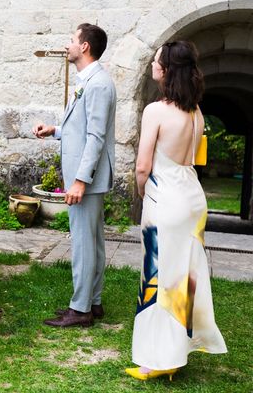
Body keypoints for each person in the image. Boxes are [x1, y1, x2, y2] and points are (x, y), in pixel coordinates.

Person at [126, 40, 227, 380]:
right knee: (183, 277)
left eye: (156, 61)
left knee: (157, 277)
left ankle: (158, 359)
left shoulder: (156, 110)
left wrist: (144, 193)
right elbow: (194, 159)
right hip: (193, 198)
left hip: (164, 198)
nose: (153, 65)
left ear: (166, 70)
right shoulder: (196, 111)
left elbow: (143, 167)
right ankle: (177, 351)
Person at [33, 23, 116, 327]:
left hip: (87, 180)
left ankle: (80, 309)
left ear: (84, 47)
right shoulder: (89, 81)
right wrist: (55, 130)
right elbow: (80, 128)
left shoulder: (98, 84)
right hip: (86, 177)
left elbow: (95, 136)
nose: (67, 45)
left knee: (83, 243)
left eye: (71, 40)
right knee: (92, 243)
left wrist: (80, 180)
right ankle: (92, 303)